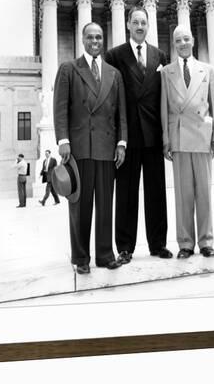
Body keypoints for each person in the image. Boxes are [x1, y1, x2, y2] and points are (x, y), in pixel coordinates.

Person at [53, 22, 127, 275]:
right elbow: (60, 107)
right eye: (90, 37)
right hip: (80, 148)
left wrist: (121, 142)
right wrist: (62, 140)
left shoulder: (114, 74)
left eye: (99, 37)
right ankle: (81, 258)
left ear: (102, 40)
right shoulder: (69, 69)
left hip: (107, 149)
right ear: (82, 39)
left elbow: (121, 114)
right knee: (80, 206)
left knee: (106, 205)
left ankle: (106, 255)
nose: (95, 41)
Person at [105, 6, 172, 264]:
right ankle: (124, 247)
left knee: (156, 193)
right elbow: (111, 99)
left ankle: (158, 244)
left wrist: (167, 135)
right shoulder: (114, 55)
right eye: (136, 22)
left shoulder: (160, 55)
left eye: (144, 22)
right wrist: (117, 139)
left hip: (154, 135)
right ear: (128, 25)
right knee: (126, 194)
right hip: (128, 136)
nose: (140, 26)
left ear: (148, 25)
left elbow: (165, 98)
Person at [161, 25, 214, 259]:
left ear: (193, 41)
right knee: (183, 194)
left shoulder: (207, 69)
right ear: (174, 44)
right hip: (179, 138)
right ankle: (185, 243)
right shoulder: (166, 72)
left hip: (202, 138)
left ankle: (206, 241)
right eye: (178, 40)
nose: (183, 43)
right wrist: (166, 140)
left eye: (186, 39)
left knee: (204, 193)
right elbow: (165, 109)